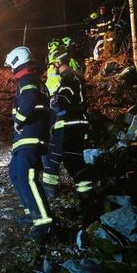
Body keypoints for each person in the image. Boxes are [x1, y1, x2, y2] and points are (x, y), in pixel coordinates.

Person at [4, 46, 53, 242]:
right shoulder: (33, 81)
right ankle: (31, 213)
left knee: (27, 177)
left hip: (29, 137)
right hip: (26, 139)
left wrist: (19, 120)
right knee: (15, 174)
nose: (10, 70)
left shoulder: (28, 80)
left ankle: (44, 223)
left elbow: (30, 100)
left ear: (17, 62)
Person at [42, 49, 92, 202]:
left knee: (53, 156)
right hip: (79, 123)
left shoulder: (68, 78)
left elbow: (62, 101)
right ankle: (87, 195)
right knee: (74, 160)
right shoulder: (76, 77)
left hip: (68, 124)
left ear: (57, 63)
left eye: (53, 65)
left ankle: (49, 194)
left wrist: (52, 101)